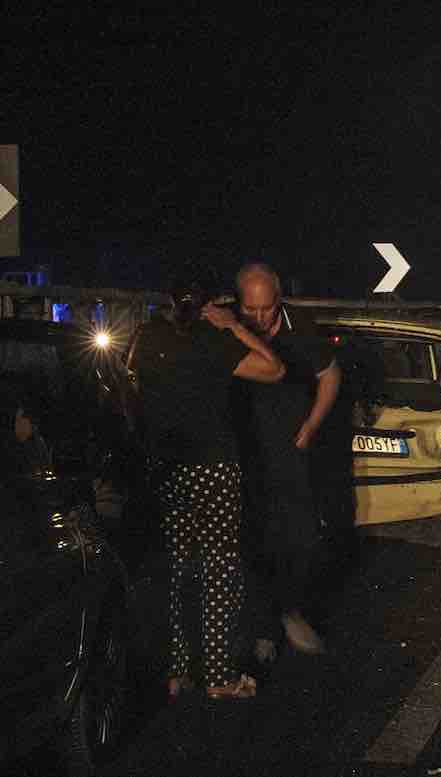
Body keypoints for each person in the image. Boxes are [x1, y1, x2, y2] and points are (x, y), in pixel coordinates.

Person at [127, 273, 285, 701]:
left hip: (167, 465)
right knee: (219, 570)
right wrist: (232, 326)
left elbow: (131, 382)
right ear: (209, 305)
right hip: (213, 467)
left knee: (178, 568)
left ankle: (178, 671)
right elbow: (274, 369)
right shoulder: (213, 339)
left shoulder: (147, 336)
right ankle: (218, 675)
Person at [233, 262, 342, 659]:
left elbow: (330, 373)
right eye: (251, 311)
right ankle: (265, 627)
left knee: (302, 540)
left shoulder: (302, 328)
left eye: (267, 309)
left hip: (293, 448)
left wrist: (312, 424)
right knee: (254, 540)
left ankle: (288, 610)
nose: (260, 318)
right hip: (246, 450)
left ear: (279, 301)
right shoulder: (230, 327)